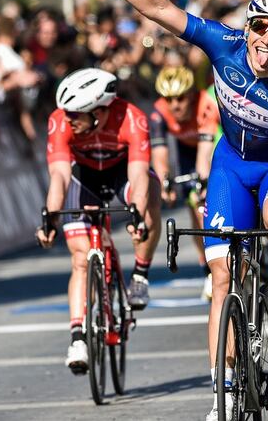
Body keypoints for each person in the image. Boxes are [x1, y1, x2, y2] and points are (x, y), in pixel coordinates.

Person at [72, 0, 268, 421]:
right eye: (261, 27)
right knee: (222, 276)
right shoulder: (223, 43)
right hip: (230, 164)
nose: (267, 39)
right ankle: (222, 390)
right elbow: (159, 7)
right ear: (247, 27)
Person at [36, 68, 161, 374]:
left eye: (76, 114)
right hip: (84, 177)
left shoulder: (132, 119)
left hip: (122, 172)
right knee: (80, 258)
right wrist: (49, 218)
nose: (68, 119)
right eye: (66, 112)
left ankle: (140, 276)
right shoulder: (59, 122)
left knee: (150, 195)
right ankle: (78, 337)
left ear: (101, 111)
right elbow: (60, 176)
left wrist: (136, 212)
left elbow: (138, 176)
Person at [150, 65, 220, 300]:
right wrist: (164, 184)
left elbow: (204, 153)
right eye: (169, 99)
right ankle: (207, 268)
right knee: (195, 207)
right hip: (184, 149)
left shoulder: (205, 104)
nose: (175, 105)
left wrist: (203, 180)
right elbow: (160, 154)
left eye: (180, 98)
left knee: (204, 190)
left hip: (213, 142)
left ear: (191, 95)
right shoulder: (159, 112)